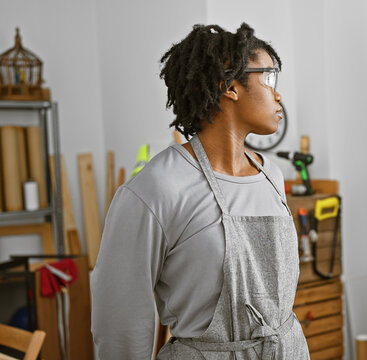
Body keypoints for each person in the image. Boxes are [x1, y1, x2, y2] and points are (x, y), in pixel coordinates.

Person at [90, 23, 310, 359]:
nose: (277, 94)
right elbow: (120, 324)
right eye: (269, 77)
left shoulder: (272, 176)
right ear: (229, 85)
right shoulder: (157, 189)